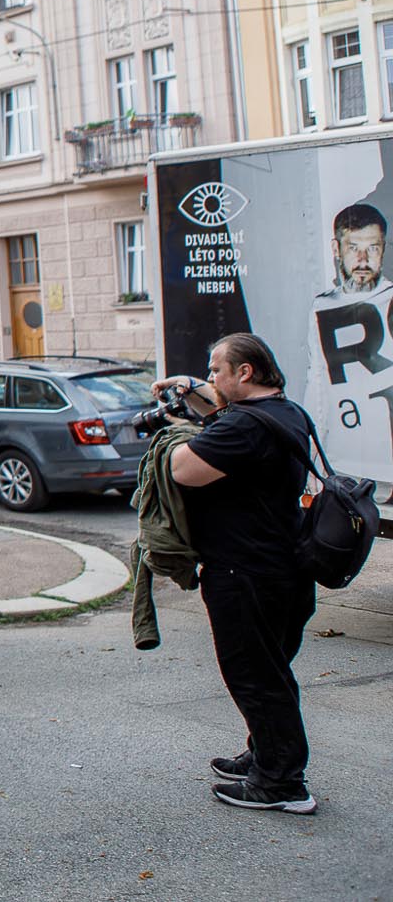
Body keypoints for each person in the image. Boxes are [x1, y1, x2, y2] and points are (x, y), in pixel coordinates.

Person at [155, 334, 320, 814]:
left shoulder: (244, 426)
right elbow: (219, 412)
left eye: (215, 370)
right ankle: (266, 754)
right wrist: (190, 388)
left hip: (245, 572)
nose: (210, 379)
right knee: (272, 672)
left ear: (243, 373)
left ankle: (281, 783)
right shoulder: (284, 412)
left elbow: (183, 469)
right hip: (285, 568)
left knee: (254, 677)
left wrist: (175, 432)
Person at [315, 202, 387, 298]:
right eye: (353, 248)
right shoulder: (321, 305)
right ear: (336, 249)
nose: (363, 261)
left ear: (383, 249)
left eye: (372, 248)